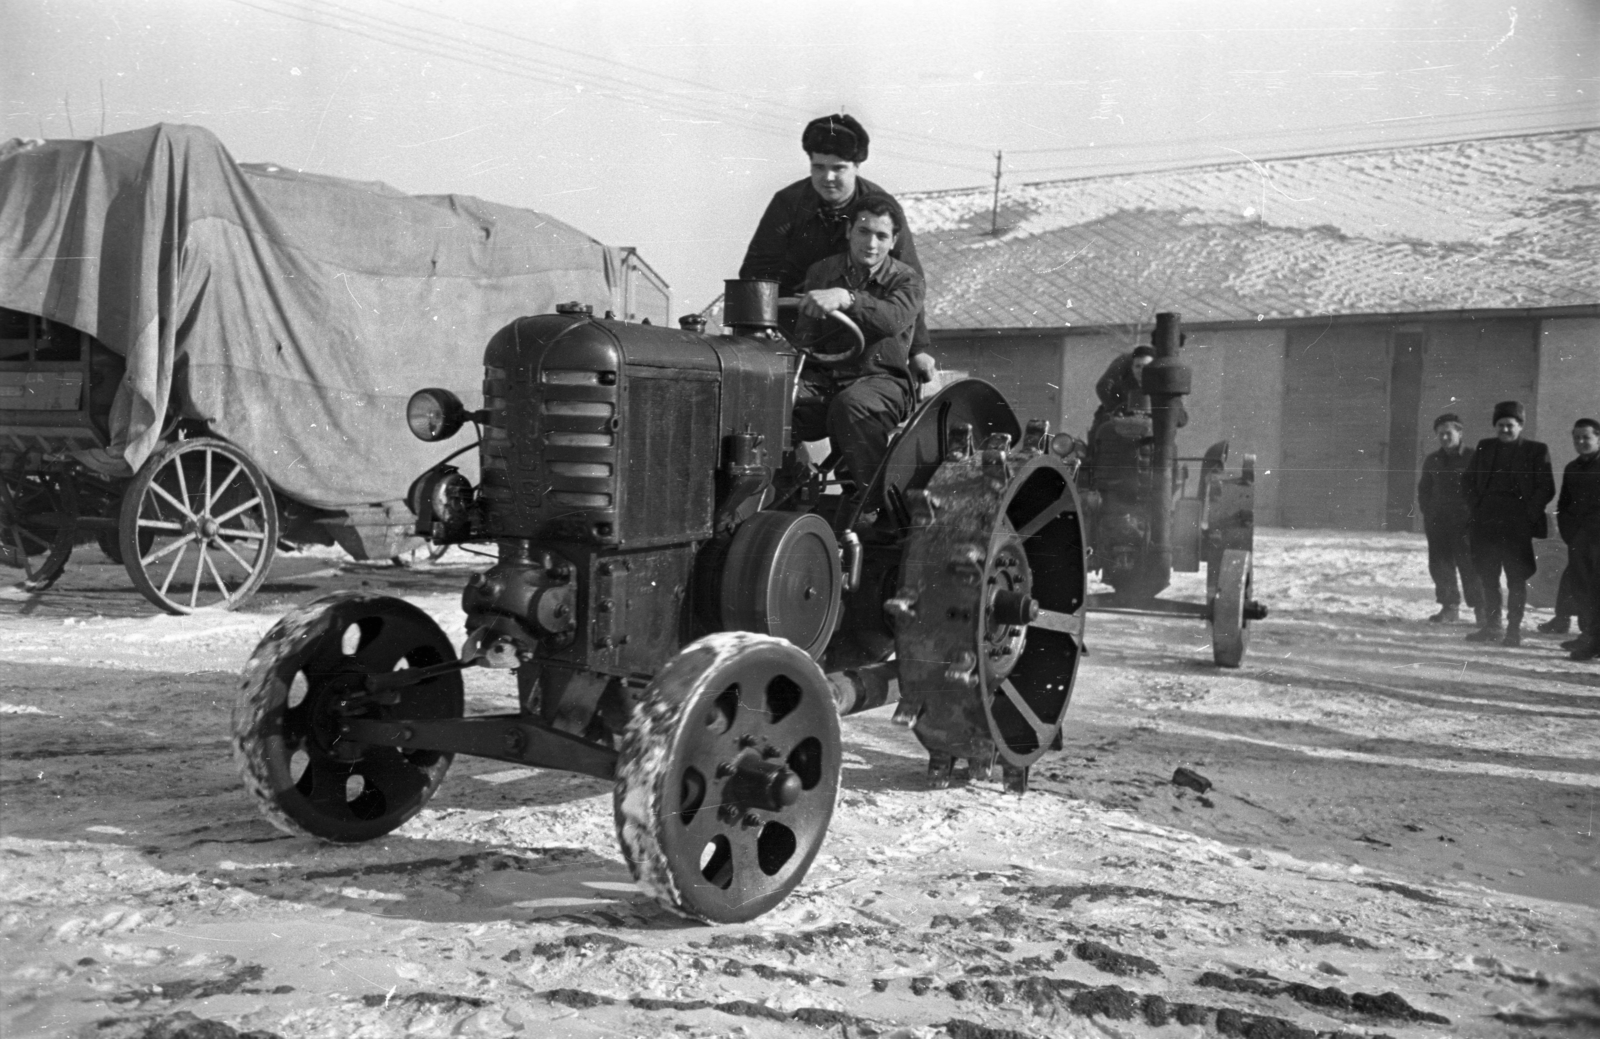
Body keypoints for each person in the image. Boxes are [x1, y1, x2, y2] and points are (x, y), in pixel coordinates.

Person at [740, 113, 936, 386]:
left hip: (861, 334)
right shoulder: (787, 204)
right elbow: (756, 273)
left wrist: (918, 350)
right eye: (818, 167)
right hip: (795, 330)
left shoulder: (882, 210)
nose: (827, 178)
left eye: (839, 168)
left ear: (857, 165)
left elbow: (910, 280)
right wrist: (759, 333)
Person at [790, 196, 924, 516]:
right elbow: (805, 336)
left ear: (893, 242)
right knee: (774, 399)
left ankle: (877, 509)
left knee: (851, 405)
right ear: (849, 230)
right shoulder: (821, 272)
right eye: (864, 232)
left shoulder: (907, 280)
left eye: (881, 236)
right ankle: (787, 491)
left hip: (882, 382)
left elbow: (892, 319)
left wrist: (847, 298)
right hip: (824, 380)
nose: (871, 243)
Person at [1461, 401, 1556, 646]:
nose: (1504, 430)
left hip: (1516, 526)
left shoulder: (1536, 450)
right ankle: (1492, 627)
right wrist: (1477, 508)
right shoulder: (1485, 447)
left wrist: (1527, 515)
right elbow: (1468, 482)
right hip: (1487, 524)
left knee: (1516, 579)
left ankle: (1514, 631)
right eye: (1500, 425)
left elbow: (1546, 488)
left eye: (1510, 425)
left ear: (1520, 426)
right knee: (1488, 577)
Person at [1416, 413, 1481, 623]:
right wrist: (1428, 511)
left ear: (1460, 432)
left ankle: (1482, 611)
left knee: (1471, 567)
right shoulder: (1433, 459)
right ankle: (1449, 607)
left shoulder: (1473, 457)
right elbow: (1424, 489)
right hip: (1438, 522)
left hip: (1466, 524)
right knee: (1441, 566)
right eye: (1440, 434)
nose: (1444, 438)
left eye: (1448, 433)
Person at [1554, 418, 1600, 659]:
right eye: (1577, 438)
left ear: (1598, 438)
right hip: (1580, 540)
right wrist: (1569, 533)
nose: (1581, 442)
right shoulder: (1572, 468)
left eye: (1586, 437)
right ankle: (1588, 636)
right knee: (1582, 589)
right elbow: (1564, 504)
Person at [1092, 346, 1154, 427]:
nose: (1141, 370)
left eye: (1146, 367)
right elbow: (1103, 386)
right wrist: (1116, 410)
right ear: (1132, 368)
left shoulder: (1162, 384)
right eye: (1138, 366)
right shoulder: (1125, 365)